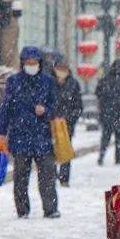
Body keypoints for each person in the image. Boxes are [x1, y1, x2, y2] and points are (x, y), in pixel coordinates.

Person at [0, 46, 59, 218]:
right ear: (23, 63)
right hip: (20, 135)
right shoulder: (14, 82)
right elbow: (6, 108)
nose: (31, 65)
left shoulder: (48, 82)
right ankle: (22, 210)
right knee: (20, 177)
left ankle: (51, 209)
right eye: (28, 62)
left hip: (42, 136)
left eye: (34, 62)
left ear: (39, 63)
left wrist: (45, 110)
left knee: (47, 175)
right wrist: (2, 131)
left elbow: (55, 105)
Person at [51, 56, 83, 186]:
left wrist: (69, 118)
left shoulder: (73, 84)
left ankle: (64, 178)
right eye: (59, 68)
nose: (61, 71)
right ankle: (51, 177)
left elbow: (78, 106)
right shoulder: (49, 82)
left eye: (64, 68)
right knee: (50, 150)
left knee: (65, 150)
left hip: (66, 124)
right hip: (51, 122)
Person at [95, 61, 120, 165]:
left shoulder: (104, 81)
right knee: (119, 138)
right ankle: (117, 159)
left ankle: (101, 157)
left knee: (105, 136)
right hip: (119, 114)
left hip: (106, 113)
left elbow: (98, 93)